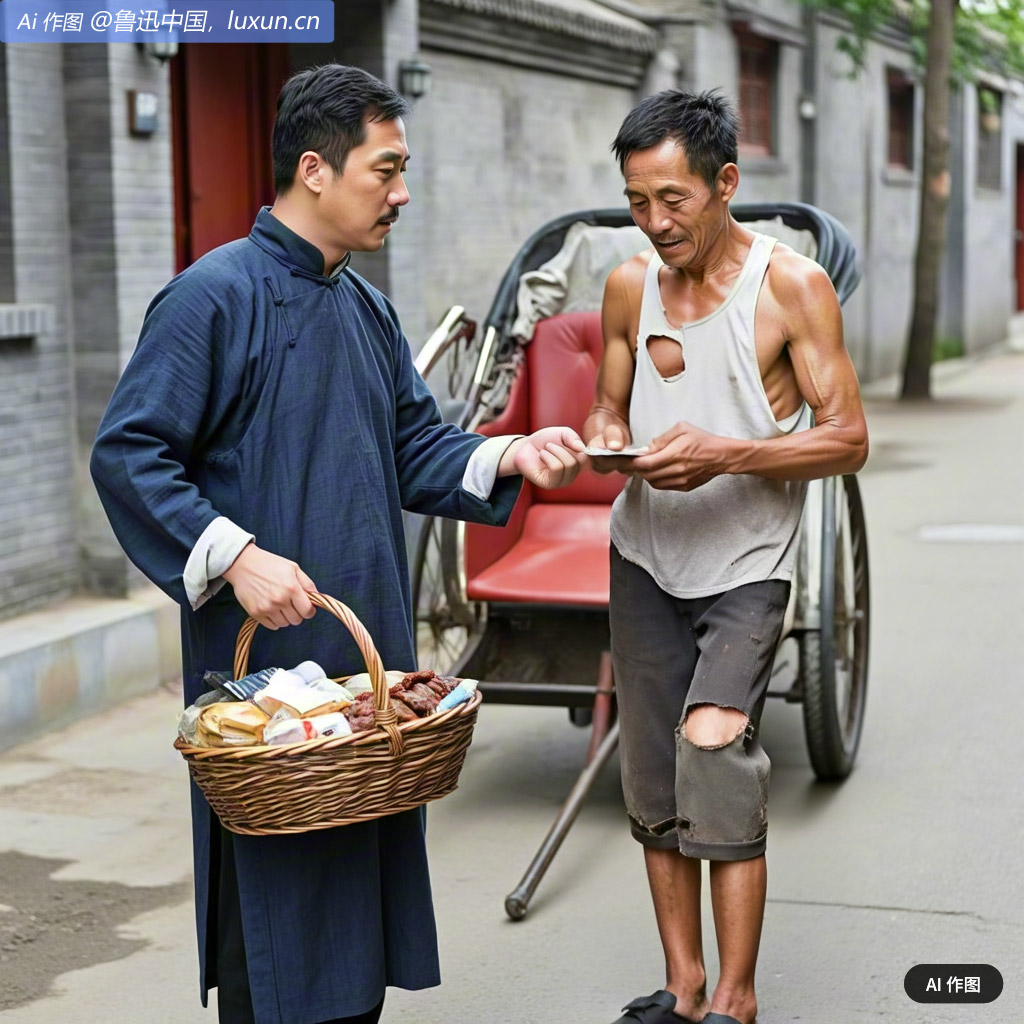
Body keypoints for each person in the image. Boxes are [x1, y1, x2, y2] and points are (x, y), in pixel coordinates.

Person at [90, 63, 587, 1024]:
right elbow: (129, 454)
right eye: (385, 169)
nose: (402, 192)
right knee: (278, 936)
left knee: (353, 923)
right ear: (314, 169)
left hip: (366, 671)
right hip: (266, 676)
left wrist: (513, 451)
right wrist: (232, 554)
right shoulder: (212, 298)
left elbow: (413, 444)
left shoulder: (365, 305)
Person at [584, 90, 868, 1024]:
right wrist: (607, 436)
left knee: (713, 751)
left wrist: (727, 452)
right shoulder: (628, 286)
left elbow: (847, 439)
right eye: (636, 202)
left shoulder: (791, 287)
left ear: (726, 183)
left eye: (674, 199)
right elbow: (609, 401)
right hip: (645, 554)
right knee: (654, 777)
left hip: (748, 556)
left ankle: (736, 1001)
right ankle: (683, 986)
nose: (656, 222)